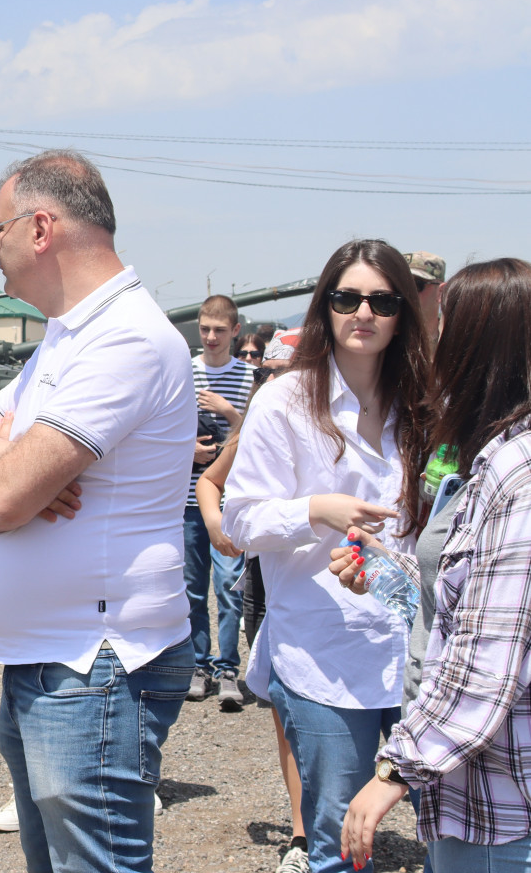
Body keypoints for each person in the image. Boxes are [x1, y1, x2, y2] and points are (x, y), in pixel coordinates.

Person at [0, 149, 195, 873]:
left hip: (95, 666)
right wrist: (9, 454)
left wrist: (4, 471)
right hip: (56, 660)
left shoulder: (124, 339)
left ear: (41, 228)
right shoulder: (70, 335)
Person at [223, 239, 432, 873]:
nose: (363, 313)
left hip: (416, 646)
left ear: (403, 313)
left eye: (382, 300)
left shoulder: (425, 404)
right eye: (347, 298)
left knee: (450, 830)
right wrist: (318, 509)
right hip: (324, 654)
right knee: (340, 844)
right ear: (326, 307)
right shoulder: (285, 401)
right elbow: (239, 518)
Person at [340, 258, 531, 872]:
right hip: (471, 787)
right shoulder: (491, 456)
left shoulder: (519, 474)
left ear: (481, 345)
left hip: (509, 804)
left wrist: (398, 768)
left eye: (443, 326)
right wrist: (387, 576)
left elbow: (488, 663)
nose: (431, 342)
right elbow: (462, 601)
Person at [196, 332, 310, 873]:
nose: (273, 385)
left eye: (284, 374)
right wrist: (221, 529)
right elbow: (209, 484)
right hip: (267, 587)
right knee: (285, 713)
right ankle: (303, 834)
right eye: (267, 374)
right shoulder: (263, 421)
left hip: (337, 592)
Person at [185, 295, 255, 707]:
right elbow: (160, 428)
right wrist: (186, 449)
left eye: (219, 330)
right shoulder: (185, 373)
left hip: (230, 501)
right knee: (192, 589)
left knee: (228, 587)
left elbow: (261, 436)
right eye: (205, 329)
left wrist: (231, 413)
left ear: (235, 332)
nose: (211, 337)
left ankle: (227, 667)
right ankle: (199, 664)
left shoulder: (247, 379)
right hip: (187, 498)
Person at [404, 250, 446, 345]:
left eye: (417, 285)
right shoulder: (381, 341)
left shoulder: (454, 344)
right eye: (401, 285)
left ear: (441, 292)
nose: (407, 293)